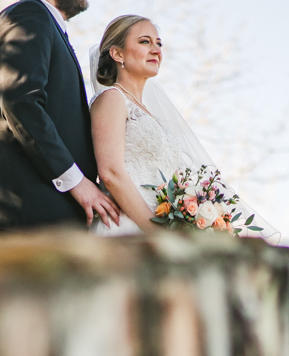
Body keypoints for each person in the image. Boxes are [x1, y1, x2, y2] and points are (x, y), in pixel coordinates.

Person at [89, 16, 276, 239]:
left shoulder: (151, 114)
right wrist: (155, 232)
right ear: (117, 53)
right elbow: (111, 172)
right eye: (145, 42)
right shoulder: (112, 98)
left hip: (160, 231)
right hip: (128, 227)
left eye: (159, 44)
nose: (156, 50)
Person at [0, 0, 119, 233]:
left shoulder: (45, 24)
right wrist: (76, 182)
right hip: (31, 218)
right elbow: (22, 104)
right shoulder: (28, 17)